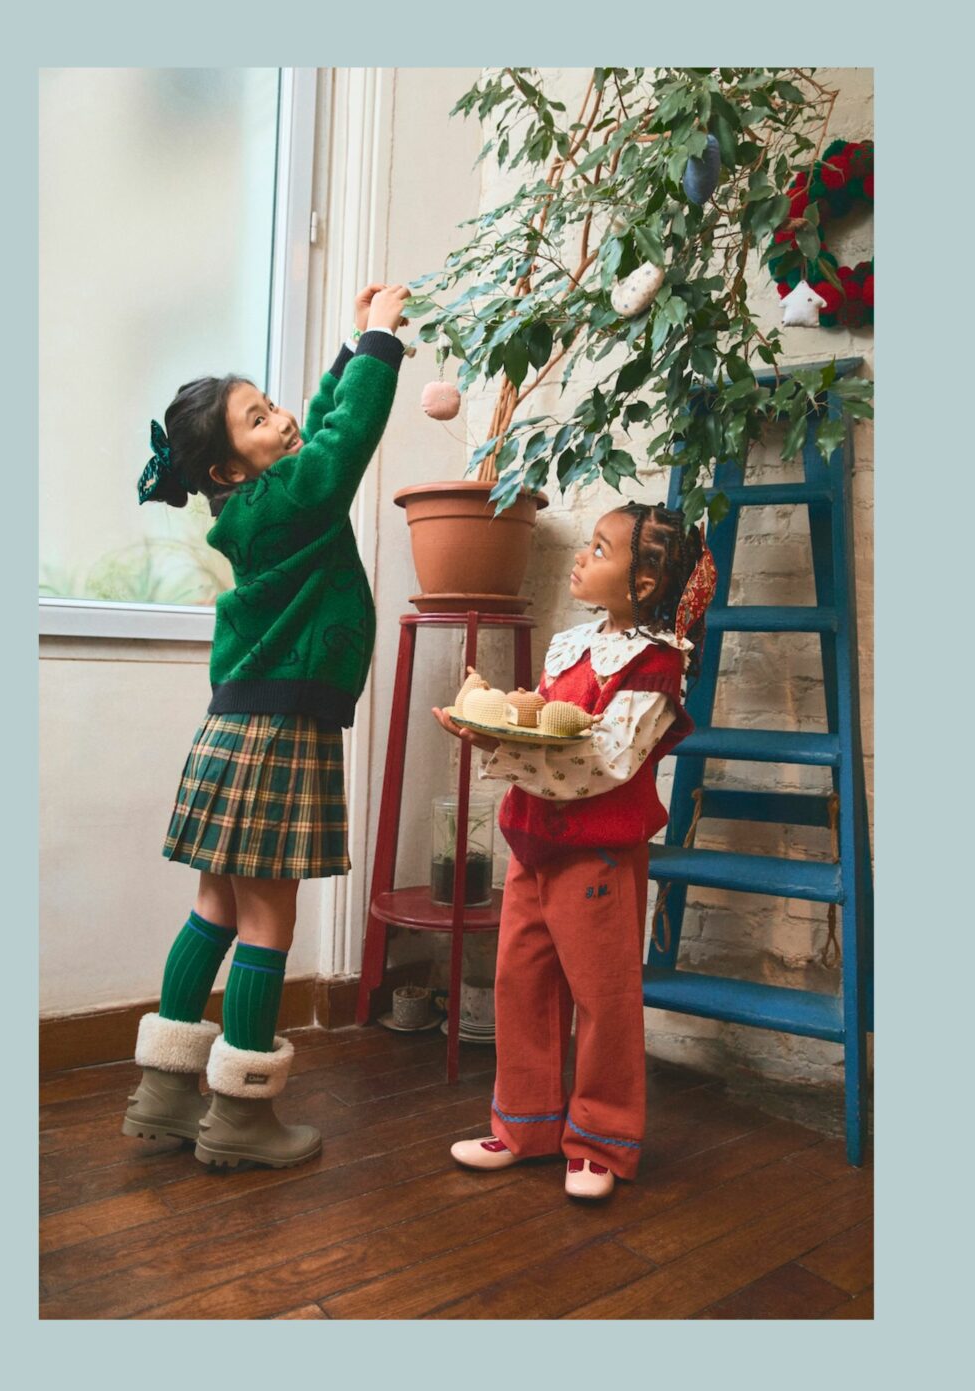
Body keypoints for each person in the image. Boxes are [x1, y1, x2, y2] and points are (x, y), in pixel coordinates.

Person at [122, 285, 408, 1168]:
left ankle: (164, 1096)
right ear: (227, 468)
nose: (281, 417)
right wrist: (378, 344)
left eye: (273, 403)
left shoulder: (253, 504)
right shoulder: (284, 502)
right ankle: (241, 1118)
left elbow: (313, 436)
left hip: (236, 731)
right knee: (266, 919)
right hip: (279, 733)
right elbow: (340, 446)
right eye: (258, 417)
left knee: (214, 906)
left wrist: (337, 365)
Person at [433, 502, 715, 1199]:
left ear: (644, 582)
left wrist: (499, 742)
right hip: (532, 842)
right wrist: (498, 718)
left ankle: (600, 1139)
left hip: (597, 856)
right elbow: (548, 721)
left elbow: (607, 761)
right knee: (521, 982)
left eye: (600, 548)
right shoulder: (573, 644)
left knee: (602, 996)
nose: (582, 557)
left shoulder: (653, 666)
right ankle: (524, 1123)